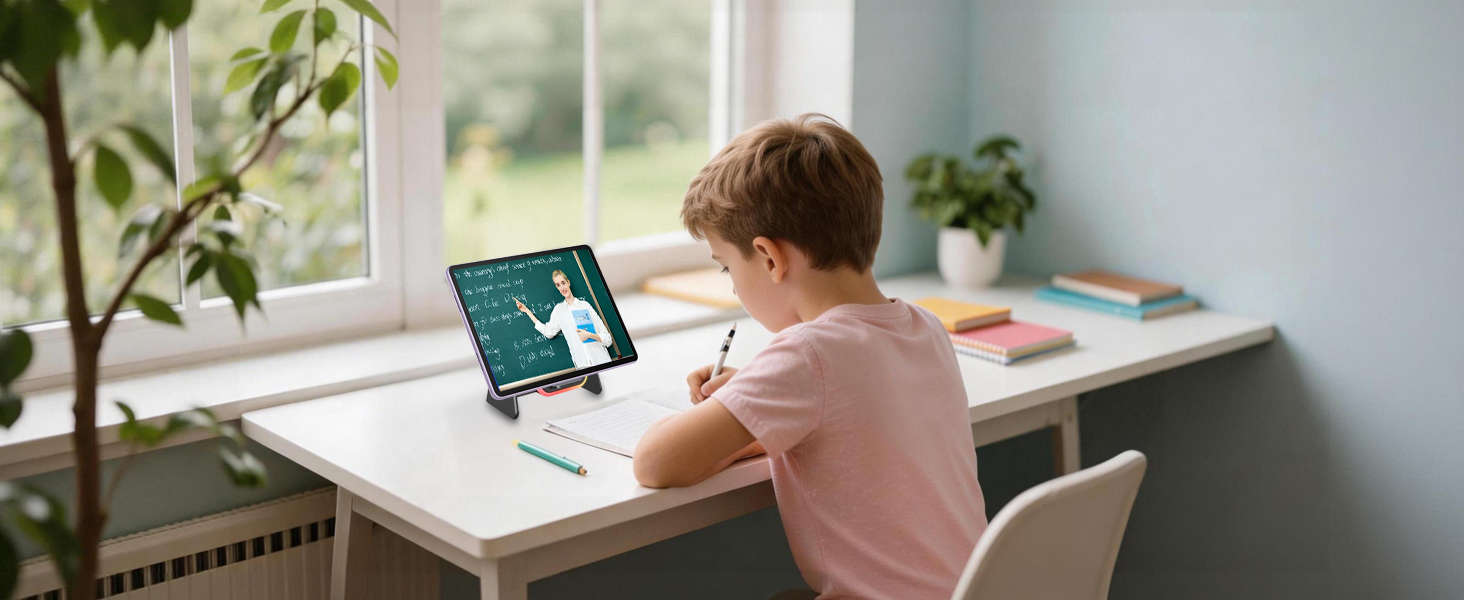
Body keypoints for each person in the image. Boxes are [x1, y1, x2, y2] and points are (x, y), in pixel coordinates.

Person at [632, 114, 988, 600]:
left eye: (726, 268)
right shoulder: (924, 327)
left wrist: (744, 394)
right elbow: (851, 422)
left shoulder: (807, 356)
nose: (733, 284)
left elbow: (656, 462)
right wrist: (755, 404)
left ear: (770, 258)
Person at [514, 269, 614, 369]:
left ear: (568, 282)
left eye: (563, 283)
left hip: (602, 361)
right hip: (583, 366)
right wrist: (527, 311)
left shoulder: (585, 306)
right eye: (558, 285)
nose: (562, 288)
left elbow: (608, 339)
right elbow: (548, 332)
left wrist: (590, 335)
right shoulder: (559, 310)